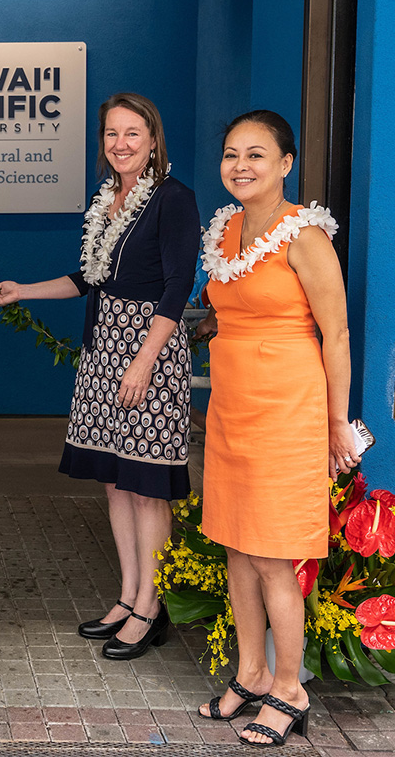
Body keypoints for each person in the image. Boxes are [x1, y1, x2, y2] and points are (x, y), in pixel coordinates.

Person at [0, 93, 200, 660]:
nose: (121, 144)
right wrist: (22, 291)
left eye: (133, 133)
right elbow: (88, 279)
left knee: (148, 487)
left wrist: (145, 360)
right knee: (115, 481)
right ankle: (129, 596)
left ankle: (153, 608)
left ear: (154, 139)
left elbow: (178, 286)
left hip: (147, 352)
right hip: (103, 347)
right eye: (111, 133)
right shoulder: (107, 200)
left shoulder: (174, 199)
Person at [196, 111, 358, 747]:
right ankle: (253, 672)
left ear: (286, 165)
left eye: (257, 155)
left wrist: (337, 423)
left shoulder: (305, 236)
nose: (241, 166)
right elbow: (229, 311)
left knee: (271, 556)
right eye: (232, 153)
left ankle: (290, 690)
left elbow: (337, 333)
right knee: (237, 549)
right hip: (232, 408)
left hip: (286, 410)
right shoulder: (229, 228)